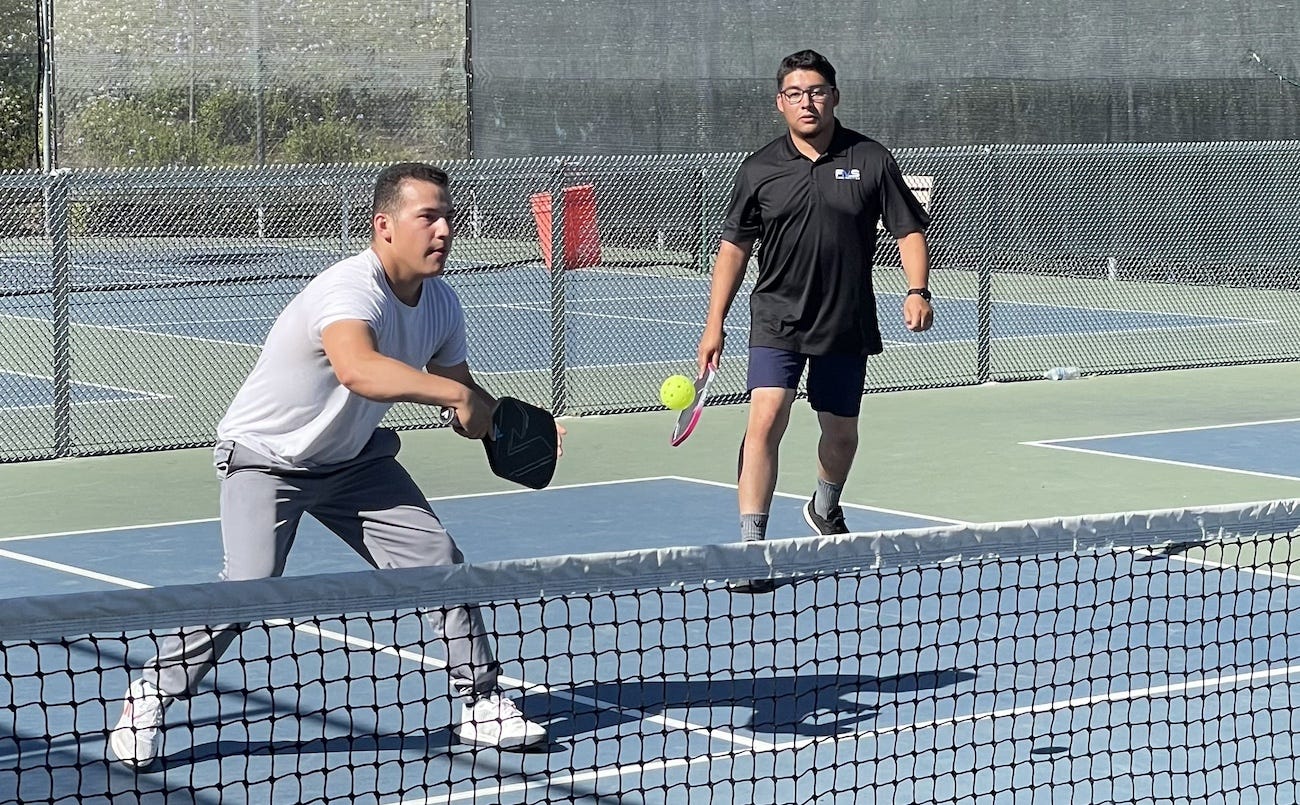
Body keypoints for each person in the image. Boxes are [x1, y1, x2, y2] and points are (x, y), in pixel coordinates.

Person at [109, 162, 555, 768]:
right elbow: (358, 369)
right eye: (429, 217)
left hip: (355, 464)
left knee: (439, 564)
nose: (445, 230)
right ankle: (150, 694)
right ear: (385, 227)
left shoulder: (443, 304)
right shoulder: (350, 289)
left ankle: (479, 702)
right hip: (267, 459)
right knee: (250, 585)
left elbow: (464, 400)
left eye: (449, 217)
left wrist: (500, 420)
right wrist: (454, 397)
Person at [696, 50, 934, 592]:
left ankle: (825, 507)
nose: (808, 102)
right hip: (776, 318)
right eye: (796, 93)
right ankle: (752, 550)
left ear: (835, 96)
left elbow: (908, 230)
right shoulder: (759, 168)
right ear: (780, 103)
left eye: (818, 91)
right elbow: (733, 248)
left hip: (844, 322)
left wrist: (917, 290)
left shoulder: (870, 158)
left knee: (841, 434)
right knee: (766, 418)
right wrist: (715, 323)